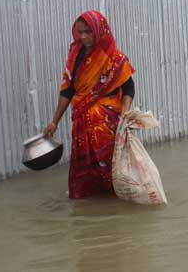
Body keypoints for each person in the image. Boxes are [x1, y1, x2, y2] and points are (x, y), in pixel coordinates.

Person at [43, 10, 135, 199]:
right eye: (80, 32)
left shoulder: (114, 58)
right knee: (84, 168)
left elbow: (128, 88)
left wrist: (125, 116)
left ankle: (115, 196)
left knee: (110, 164)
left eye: (88, 32)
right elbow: (67, 90)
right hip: (82, 123)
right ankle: (88, 198)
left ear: (99, 31)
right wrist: (55, 122)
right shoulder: (75, 55)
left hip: (107, 125)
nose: (83, 36)